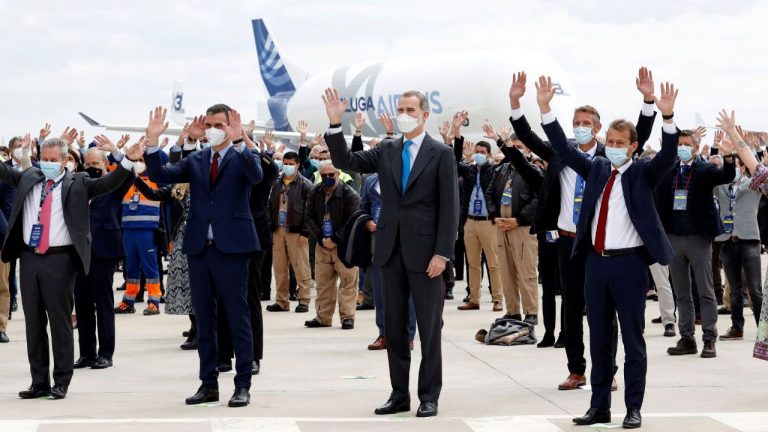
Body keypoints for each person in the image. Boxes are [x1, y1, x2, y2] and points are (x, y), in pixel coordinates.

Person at [536, 74, 682, 429]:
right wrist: (544, 109)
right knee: (599, 340)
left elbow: (668, 154)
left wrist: (666, 116)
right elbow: (565, 149)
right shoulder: (598, 167)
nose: (614, 146)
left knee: (633, 342)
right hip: (595, 265)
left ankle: (633, 407)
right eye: (611, 141)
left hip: (630, 265)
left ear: (632, 147)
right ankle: (598, 406)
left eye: (621, 142)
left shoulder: (642, 174)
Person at [508, 68, 657, 391]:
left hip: (597, 244)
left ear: (598, 128)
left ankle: (609, 371)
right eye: (576, 123)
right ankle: (576, 369)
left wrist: (648, 101)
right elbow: (530, 138)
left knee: (607, 312)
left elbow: (639, 136)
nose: (580, 128)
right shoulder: (562, 154)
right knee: (571, 306)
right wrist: (516, 103)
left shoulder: (609, 158)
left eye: (586, 123)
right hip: (566, 242)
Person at [323, 88, 459, 418]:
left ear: (425, 115)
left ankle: (429, 395)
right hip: (389, 251)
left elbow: (449, 207)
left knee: (428, 330)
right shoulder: (386, 149)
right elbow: (346, 162)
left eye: (410, 108)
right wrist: (335, 124)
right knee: (394, 330)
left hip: (426, 255)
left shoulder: (440, 153)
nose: (404, 113)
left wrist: (442, 253)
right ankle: (399, 394)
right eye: (400, 108)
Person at [143, 105, 263, 408]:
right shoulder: (196, 159)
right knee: (205, 320)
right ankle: (208, 383)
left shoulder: (241, 156)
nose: (212, 129)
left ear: (230, 126)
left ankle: (242, 384)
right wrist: (155, 142)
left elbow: (257, 175)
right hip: (199, 248)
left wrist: (240, 140)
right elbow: (160, 174)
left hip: (233, 248)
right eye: (208, 124)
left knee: (238, 317)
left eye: (218, 124)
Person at [4, 133, 139, 400]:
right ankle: (38, 381)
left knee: (59, 321)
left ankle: (61, 380)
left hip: (60, 259)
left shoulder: (78, 182)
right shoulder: (27, 177)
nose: (47, 163)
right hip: (30, 258)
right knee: (33, 322)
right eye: (43, 158)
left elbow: (111, 182)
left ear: (66, 160)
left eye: (53, 160)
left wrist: (127, 159)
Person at [658, 124, 735, 358]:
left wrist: (729, 156)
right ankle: (686, 338)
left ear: (696, 147)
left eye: (687, 145)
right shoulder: (668, 170)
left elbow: (726, 175)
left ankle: (709, 338)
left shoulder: (704, 169)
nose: (682, 148)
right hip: (673, 237)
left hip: (698, 238)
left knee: (705, 290)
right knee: (682, 292)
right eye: (679, 144)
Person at [73, 145, 135, 369]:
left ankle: (105, 353)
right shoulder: (78, 185)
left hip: (104, 250)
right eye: (88, 164)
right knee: (82, 304)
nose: (91, 168)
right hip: (79, 252)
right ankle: (86, 353)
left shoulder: (113, 185)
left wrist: (119, 154)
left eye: (95, 164)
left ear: (105, 165)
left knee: (103, 303)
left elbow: (130, 175)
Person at [485, 128, 540, 323]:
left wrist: (519, 220)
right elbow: (490, 194)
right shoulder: (501, 170)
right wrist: (495, 217)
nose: (515, 151)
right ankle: (513, 311)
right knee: (506, 272)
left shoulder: (534, 171)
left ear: (527, 151)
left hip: (522, 229)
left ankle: (531, 312)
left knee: (526, 273)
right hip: (501, 228)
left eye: (519, 148)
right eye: (513, 147)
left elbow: (538, 200)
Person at [359, 173, 418, 350]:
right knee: (380, 290)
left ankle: (407, 336)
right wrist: (368, 222)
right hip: (379, 240)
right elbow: (363, 208)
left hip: (406, 238)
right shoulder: (370, 181)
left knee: (407, 292)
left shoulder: (407, 176)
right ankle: (384, 333)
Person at [451, 126, 505, 312]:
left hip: (488, 222)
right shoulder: (469, 171)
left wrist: (498, 138)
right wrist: (457, 137)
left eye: (483, 152)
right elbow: (454, 161)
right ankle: (474, 298)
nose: (479, 155)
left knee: (494, 263)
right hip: (470, 222)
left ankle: (498, 298)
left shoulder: (494, 171)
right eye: (477, 152)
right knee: (472, 264)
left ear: (489, 155)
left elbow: (508, 159)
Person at [304, 161, 360, 329]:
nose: (328, 178)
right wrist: (321, 236)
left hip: (344, 245)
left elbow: (353, 220)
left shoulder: (350, 195)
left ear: (338, 174)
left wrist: (335, 239)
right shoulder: (315, 193)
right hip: (322, 244)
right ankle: (323, 317)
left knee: (348, 283)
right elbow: (308, 218)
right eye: (324, 175)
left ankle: (347, 317)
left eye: (331, 175)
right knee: (323, 283)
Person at [266, 151, 313, 313]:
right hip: (278, 229)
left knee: (301, 266)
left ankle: (304, 300)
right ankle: (281, 301)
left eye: (290, 164)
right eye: (285, 163)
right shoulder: (276, 183)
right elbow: (270, 206)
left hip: (296, 230)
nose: (287, 166)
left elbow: (311, 211)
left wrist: (305, 232)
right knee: (279, 267)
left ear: (298, 165)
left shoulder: (305, 184)